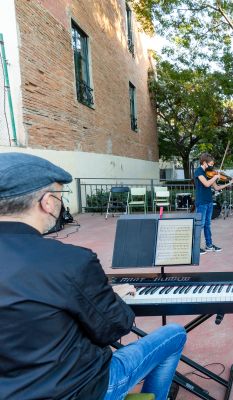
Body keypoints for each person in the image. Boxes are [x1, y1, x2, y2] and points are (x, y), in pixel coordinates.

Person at [0, 153, 187, 400]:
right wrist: (108, 296)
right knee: (174, 334)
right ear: (47, 202)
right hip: (80, 390)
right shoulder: (70, 261)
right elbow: (115, 328)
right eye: (60, 196)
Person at [194, 153, 233, 253]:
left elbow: (216, 187)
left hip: (209, 202)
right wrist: (216, 176)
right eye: (211, 164)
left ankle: (209, 245)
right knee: (200, 225)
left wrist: (230, 182)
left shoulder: (209, 173)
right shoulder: (199, 171)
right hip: (201, 202)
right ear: (204, 162)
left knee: (207, 225)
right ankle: (195, 247)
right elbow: (206, 183)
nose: (212, 166)